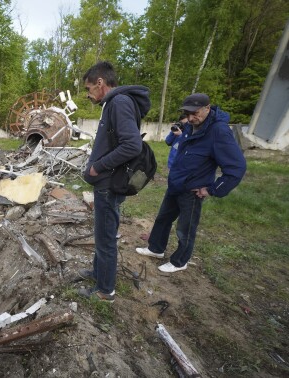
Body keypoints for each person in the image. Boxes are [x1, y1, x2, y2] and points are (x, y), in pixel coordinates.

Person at [136, 93, 246, 273]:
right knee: (163, 218)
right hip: (176, 184)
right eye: (188, 113)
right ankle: (156, 248)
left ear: (207, 108)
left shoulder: (218, 131)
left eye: (195, 113)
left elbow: (237, 167)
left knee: (185, 228)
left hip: (193, 189)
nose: (191, 117)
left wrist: (212, 189)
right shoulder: (190, 125)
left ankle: (180, 261)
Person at [79, 61, 151, 302]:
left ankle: (105, 291)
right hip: (107, 182)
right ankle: (98, 273)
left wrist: (98, 167)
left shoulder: (119, 103)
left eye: (89, 89)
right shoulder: (115, 103)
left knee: (106, 237)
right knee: (102, 234)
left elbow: (132, 145)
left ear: (100, 83)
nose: (89, 95)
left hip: (109, 183)